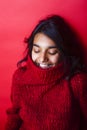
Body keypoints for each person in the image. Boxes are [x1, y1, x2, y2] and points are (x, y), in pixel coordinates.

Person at [5, 15, 87, 130]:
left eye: (52, 52)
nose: (42, 58)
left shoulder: (76, 82)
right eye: (37, 50)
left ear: (64, 52)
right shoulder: (20, 77)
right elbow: (14, 115)